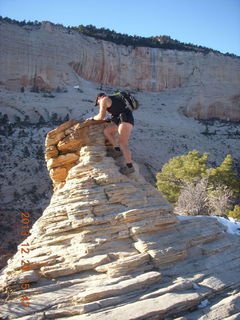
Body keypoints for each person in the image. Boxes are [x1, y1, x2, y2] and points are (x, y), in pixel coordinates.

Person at [93, 92, 135, 175]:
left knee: (123, 143)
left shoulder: (103, 100)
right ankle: (117, 150)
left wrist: (93, 118)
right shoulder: (113, 99)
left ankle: (130, 167)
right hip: (122, 120)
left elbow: (101, 116)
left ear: (98, 99)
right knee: (107, 131)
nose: (99, 105)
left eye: (97, 103)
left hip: (125, 120)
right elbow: (117, 111)